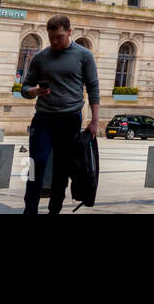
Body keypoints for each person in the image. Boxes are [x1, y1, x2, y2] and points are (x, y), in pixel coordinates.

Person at [20, 14, 100, 214]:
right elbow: (25, 88)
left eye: (59, 37)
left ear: (69, 32)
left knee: (62, 169)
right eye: (51, 37)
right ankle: (29, 209)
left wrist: (95, 121)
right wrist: (35, 91)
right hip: (44, 118)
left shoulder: (84, 56)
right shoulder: (40, 57)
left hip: (70, 119)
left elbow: (93, 88)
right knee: (34, 164)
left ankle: (54, 210)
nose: (55, 41)